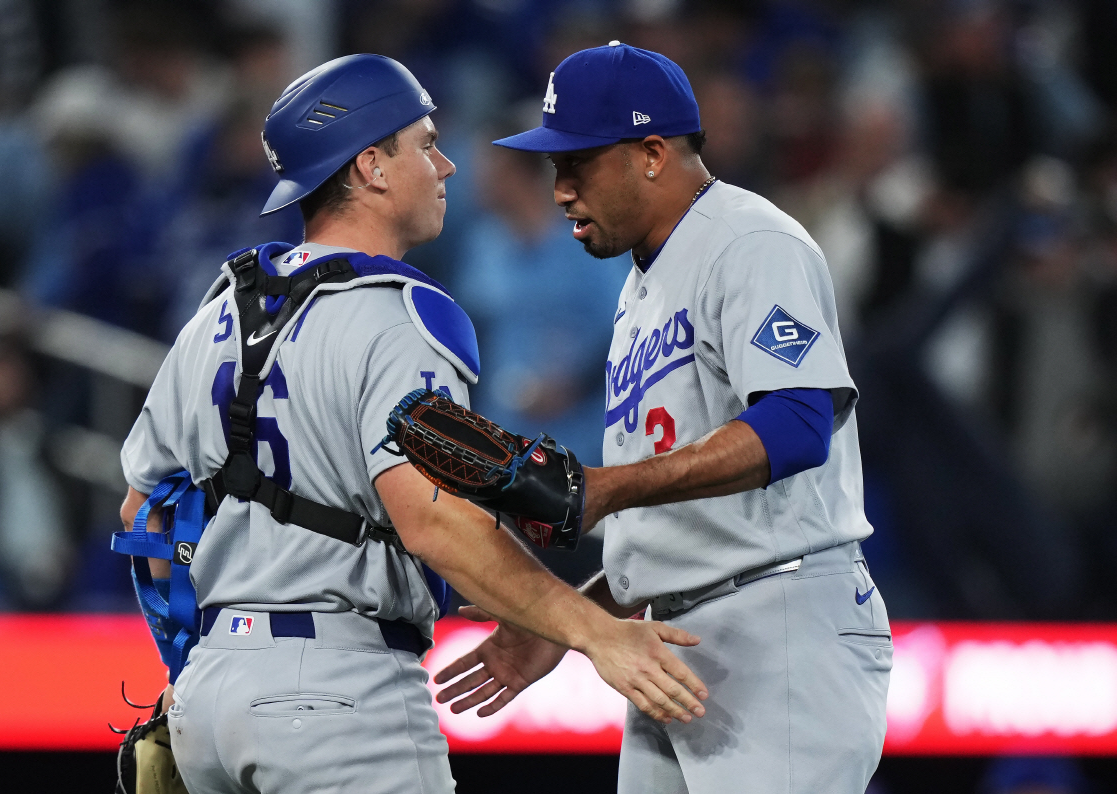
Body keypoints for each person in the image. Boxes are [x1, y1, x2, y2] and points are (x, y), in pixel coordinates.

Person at [118, 54, 707, 794]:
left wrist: (192, 669)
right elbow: (436, 523)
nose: (448, 165)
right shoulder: (401, 315)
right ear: (372, 166)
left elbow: (143, 513)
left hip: (207, 693)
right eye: (425, 144)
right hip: (336, 692)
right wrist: (594, 633)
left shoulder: (215, 316)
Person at [435, 43, 892, 793]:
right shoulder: (644, 283)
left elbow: (800, 421)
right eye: (554, 169)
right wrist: (574, 621)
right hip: (673, 633)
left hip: (777, 623)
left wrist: (608, 487)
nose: (560, 191)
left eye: (576, 164)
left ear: (652, 153)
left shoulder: (750, 241)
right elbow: (673, 518)